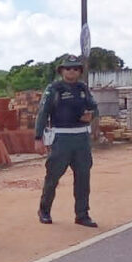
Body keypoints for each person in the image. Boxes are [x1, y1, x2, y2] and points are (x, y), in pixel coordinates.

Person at [34, 54, 99, 228]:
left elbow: (95, 108)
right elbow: (43, 113)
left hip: (81, 138)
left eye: (76, 69)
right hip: (61, 138)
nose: (72, 71)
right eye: (68, 68)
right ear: (61, 71)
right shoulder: (54, 89)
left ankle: (82, 214)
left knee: (83, 178)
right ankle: (44, 210)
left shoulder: (83, 88)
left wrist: (91, 116)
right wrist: (38, 137)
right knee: (53, 177)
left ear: (80, 71)